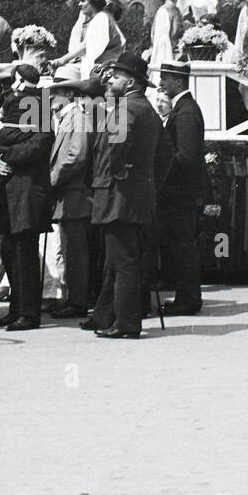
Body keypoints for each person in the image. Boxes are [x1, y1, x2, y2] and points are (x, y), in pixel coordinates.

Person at [86, 54, 171, 338]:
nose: (111, 80)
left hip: (118, 196)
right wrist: (149, 181)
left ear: (131, 81)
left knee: (122, 263)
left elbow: (115, 148)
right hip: (137, 195)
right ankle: (107, 316)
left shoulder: (126, 110)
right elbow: (167, 153)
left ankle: (127, 324)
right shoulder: (147, 109)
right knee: (121, 260)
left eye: (117, 76)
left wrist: (119, 172)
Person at [0, 65, 55, 331]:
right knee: (9, 250)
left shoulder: (39, 103)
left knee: (24, 253)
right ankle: (16, 309)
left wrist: (4, 153)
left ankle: (28, 313)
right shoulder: (21, 101)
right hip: (10, 189)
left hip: (27, 190)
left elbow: (38, 145)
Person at [156, 61, 207, 313]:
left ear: (178, 81)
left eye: (166, 78)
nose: (162, 83)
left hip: (181, 193)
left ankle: (188, 300)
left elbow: (185, 156)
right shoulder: (183, 108)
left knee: (183, 247)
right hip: (181, 192)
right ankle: (185, 297)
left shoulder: (185, 112)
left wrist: (160, 164)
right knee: (180, 246)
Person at [47, 66, 96, 319]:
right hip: (69, 194)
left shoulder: (77, 118)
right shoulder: (69, 118)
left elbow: (76, 155)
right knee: (69, 249)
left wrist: (52, 179)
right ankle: (73, 297)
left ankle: (77, 301)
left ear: (67, 93)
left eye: (55, 93)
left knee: (75, 251)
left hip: (75, 193)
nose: (52, 98)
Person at [52, 0, 125, 80]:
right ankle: (48, 93)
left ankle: (45, 94)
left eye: (83, 1)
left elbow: (87, 47)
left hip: (102, 68)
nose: (79, 4)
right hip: (99, 66)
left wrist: (63, 60)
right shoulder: (100, 18)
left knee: (61, 74)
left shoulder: (101, 18)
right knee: (55, 75)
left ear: (93, 2)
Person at [143, 0, 187, 71]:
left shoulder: (163, 11)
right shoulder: (176, 10)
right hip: (174, 56)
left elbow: (161, 42)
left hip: (163, 57)